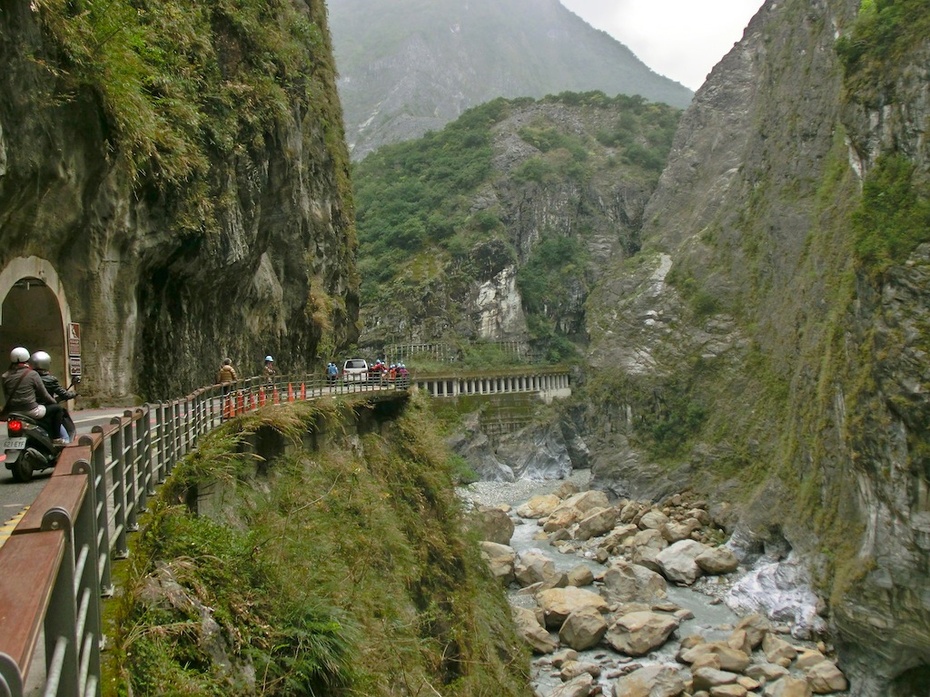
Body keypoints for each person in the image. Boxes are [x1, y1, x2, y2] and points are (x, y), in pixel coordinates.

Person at [1, 346, 65, 445]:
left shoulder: (5, 376)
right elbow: (44, 395)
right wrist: (54, 402)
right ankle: (57, 438)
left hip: (13, 412)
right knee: (57, 409)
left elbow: (7, 395)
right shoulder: (32, 374)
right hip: (31, 411)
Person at [29, 350, 76, 442]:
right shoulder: (50, 380)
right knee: (65, 436)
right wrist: (74, 393)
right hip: (44, 410)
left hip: (29, 408)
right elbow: (64, 394)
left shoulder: (28, 378)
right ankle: (57, 438)